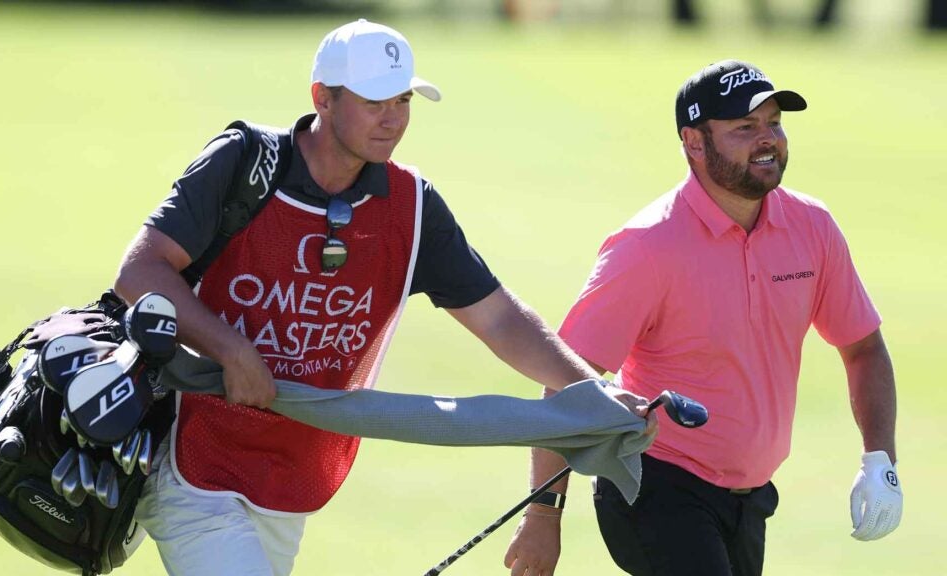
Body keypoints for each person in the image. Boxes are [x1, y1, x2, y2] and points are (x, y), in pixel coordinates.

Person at [113, 19, 655, 576]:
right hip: (194, 460)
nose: (392, 116)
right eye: (374, 100)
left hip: (290, 479)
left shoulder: (411, 206)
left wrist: (593, 393)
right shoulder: (244, 162)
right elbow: (139, 273)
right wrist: (231, 350)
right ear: (322, 98)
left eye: (402, 99)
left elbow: (497, 318)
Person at [504, 59, 902, 576]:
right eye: (744, 127)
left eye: (774, 123)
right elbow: (564, 384)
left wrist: (881, 460)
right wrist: (543, 514)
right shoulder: (647, 248)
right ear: (694, 142)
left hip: (749, 498)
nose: (768, 140)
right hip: (655, 484)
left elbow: (863, 347)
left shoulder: (813, 228)